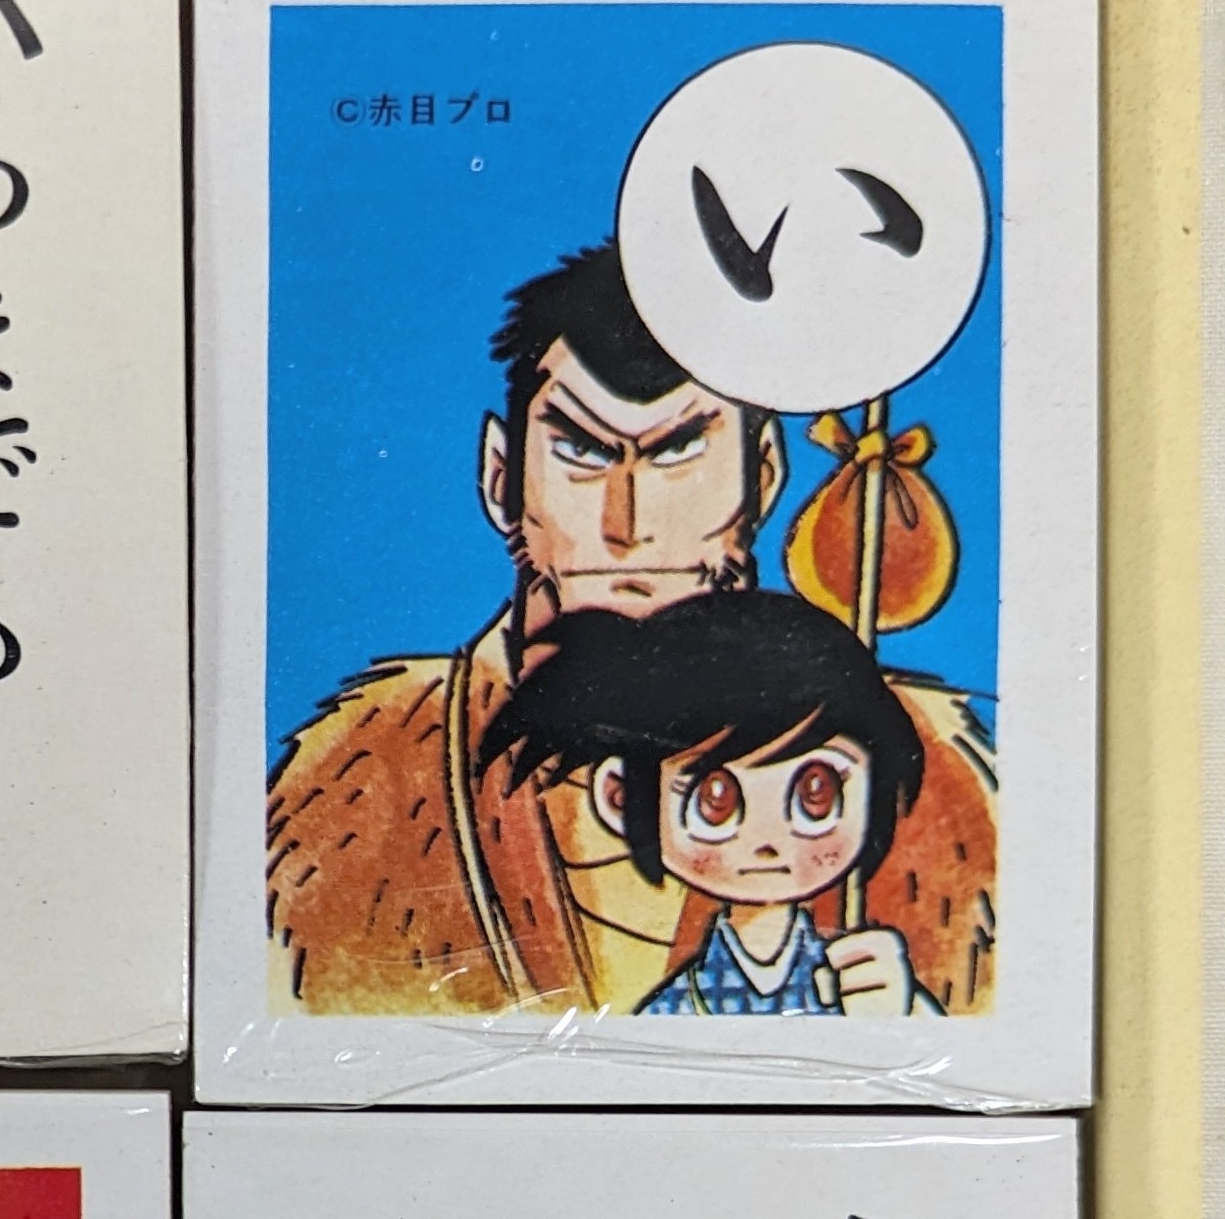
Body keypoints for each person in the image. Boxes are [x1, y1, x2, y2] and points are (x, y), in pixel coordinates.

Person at [265, 240, 996, 1018]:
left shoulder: (911, 761)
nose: (628, 526)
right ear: (501, 478)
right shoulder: (367, 779)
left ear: (763, 476)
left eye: (679, 452)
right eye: (581, 452)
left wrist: (903, 1026)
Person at [477, 591, 939, 1019]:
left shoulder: (860, 986)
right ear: (620, 797)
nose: (767, 843)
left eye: (815, 792)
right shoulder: (672, 1012)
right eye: (715, 800)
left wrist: (901, 1015)